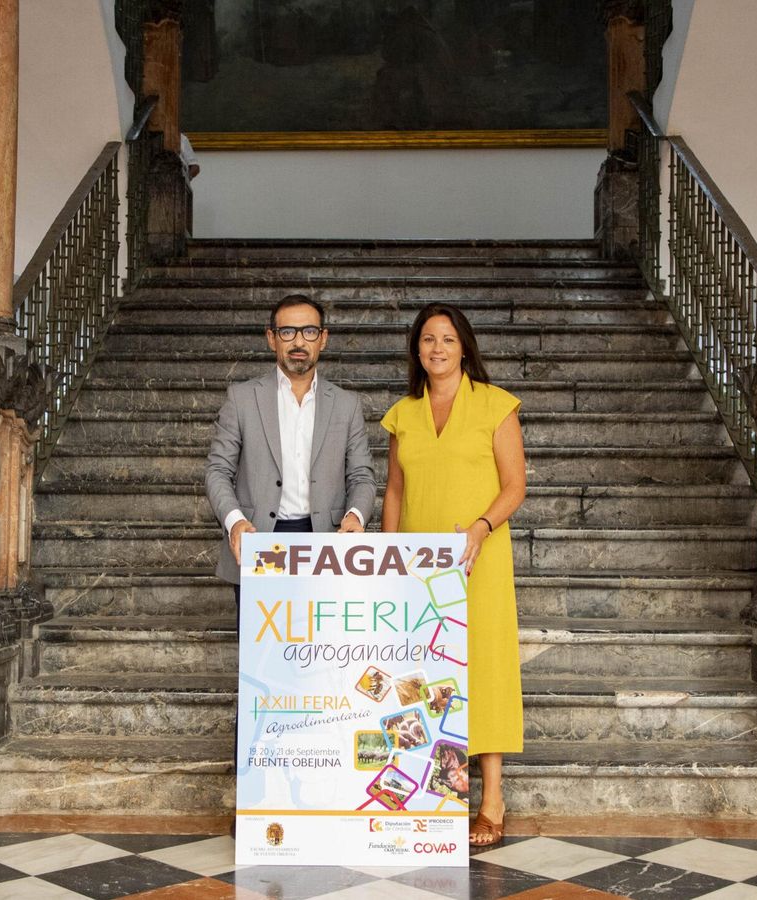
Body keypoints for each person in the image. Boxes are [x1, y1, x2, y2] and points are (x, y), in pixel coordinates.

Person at [381, 303, 526, 848]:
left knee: (482, 668)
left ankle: (491, 801)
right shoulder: (403, 414)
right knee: (426, 673)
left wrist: (483, 527)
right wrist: (388, 559)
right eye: (426, 340)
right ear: (416, 351)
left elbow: (514, 485)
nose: (436, 348)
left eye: (446, 338)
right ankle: (442, 794)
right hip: (417, 567)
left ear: (464, 346)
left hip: (478, 559)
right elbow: (394, 490)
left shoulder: (495, 406)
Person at [205, 295, 376, 596]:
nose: (299, 342)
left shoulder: (346, 405)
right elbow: (218, 470)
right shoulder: (242, 398)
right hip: (257, 540)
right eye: (288, 332)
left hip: (327, 543)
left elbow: (362, 475)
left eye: (309, 331)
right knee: (261, 642)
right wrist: (235, 523)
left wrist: (356, 515)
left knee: (323, 643)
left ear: (323, 339)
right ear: (271, 338)